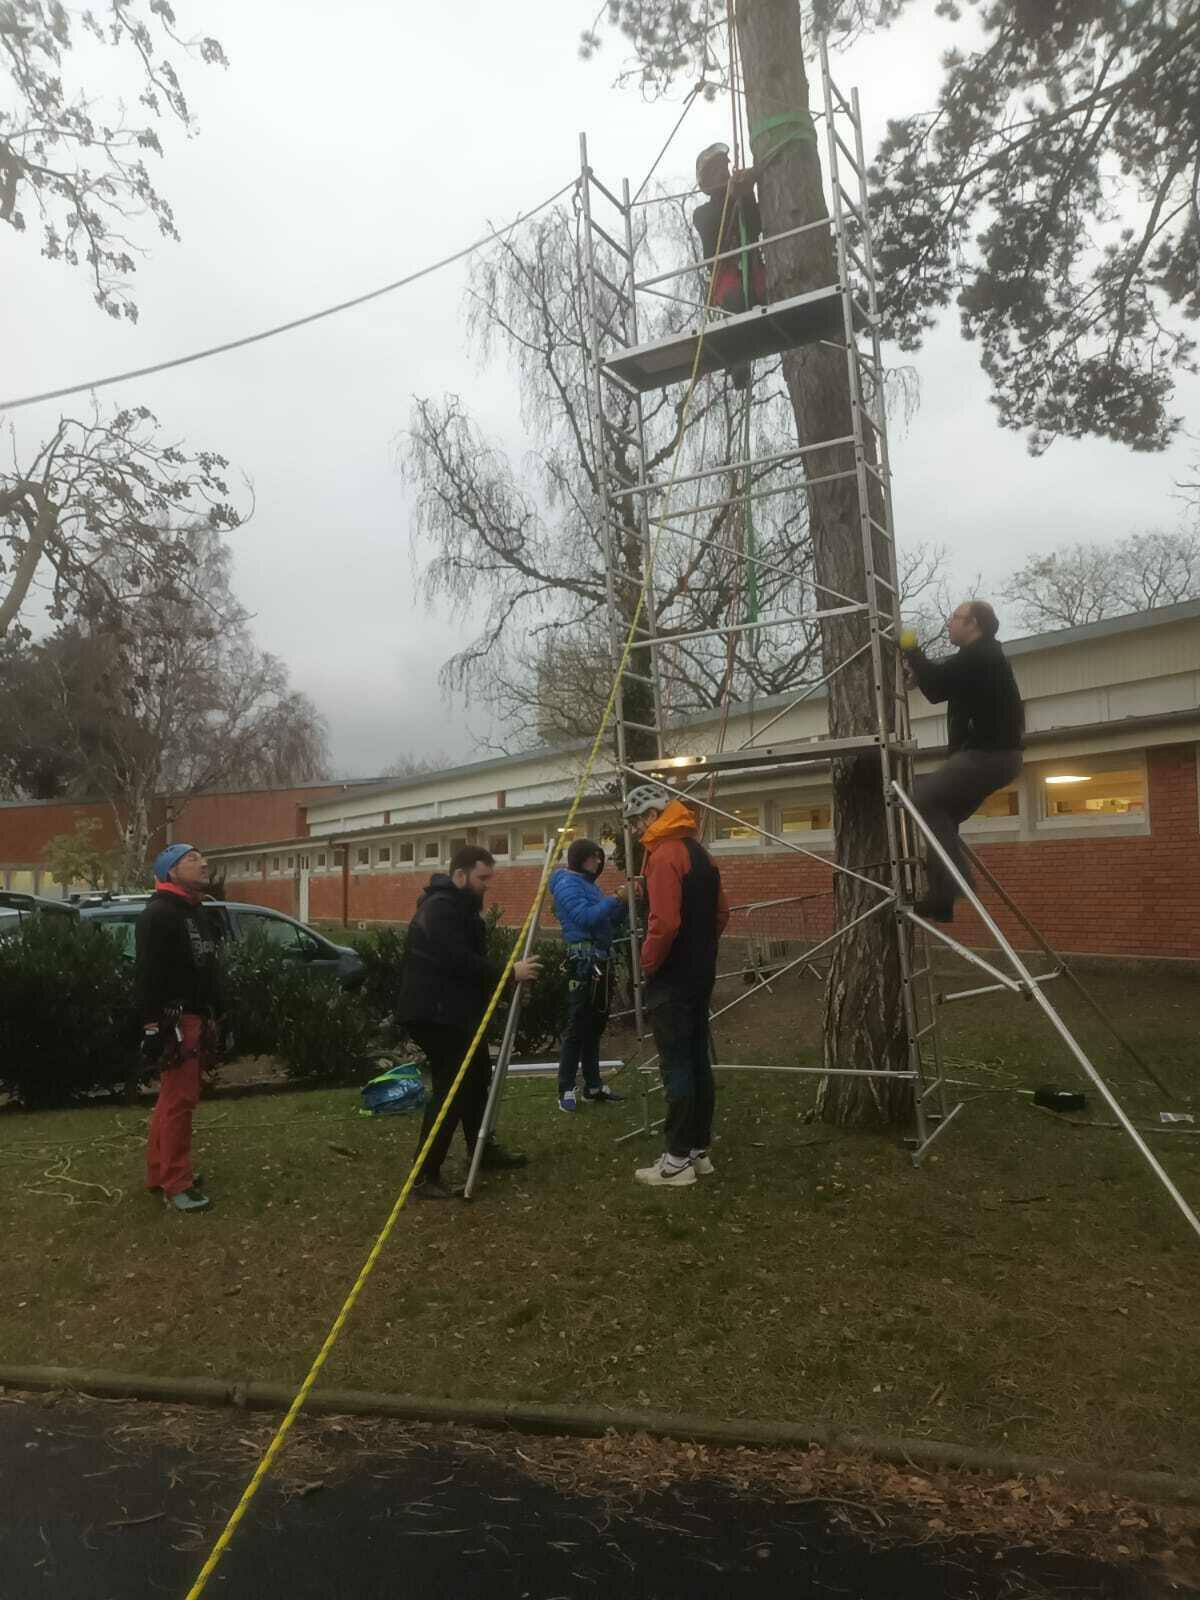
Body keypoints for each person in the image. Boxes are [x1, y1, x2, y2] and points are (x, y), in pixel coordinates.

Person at [395, 845, 540, 1200]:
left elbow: (471, 968)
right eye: (482, 878)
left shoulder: (461, 909)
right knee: (453, 1088)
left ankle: (482, 1149)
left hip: (455, 1011)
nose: (487, 885)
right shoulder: (440, 909)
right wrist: (510, 973)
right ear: (460, 876)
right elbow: (458, 961)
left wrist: (504, 987)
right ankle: (424, 1174)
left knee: (475, 1080)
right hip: (435, 1015)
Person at [623, 786, 730, 1188]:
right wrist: (703, 948)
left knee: (676, 1064)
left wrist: (647, 962)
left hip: (671, 976)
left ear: (653, 816)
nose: (635, 830)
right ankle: (698, 1150)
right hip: (701, 972)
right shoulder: (701, 853)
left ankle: (676, 1162)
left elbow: (664, 922)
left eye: (637, 821)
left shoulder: (664, 855)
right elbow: (722, 912)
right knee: (698, 1060)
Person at [901, 600, 1025, 922]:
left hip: (988, 755)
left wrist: (911, 648)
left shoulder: (980, 656)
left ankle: (954, 884)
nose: (949, 623)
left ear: (974, 624)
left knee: (923, 800)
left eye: (955, 617)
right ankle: (941, 900)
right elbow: (937, 685)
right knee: (942, 818)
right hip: (998, 757)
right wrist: (918, 673)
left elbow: (938, 685)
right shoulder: (979, 659)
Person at [136, 843, 223, 1214]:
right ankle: (177, 1184)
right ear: (170, 871)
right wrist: (152, 1026)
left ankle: (160, 1173)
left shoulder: (195, 909)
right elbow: (147, 976)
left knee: (171, 1099)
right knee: (179, 1102)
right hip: (176, 1020)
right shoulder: (159, 914)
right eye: (192, 859)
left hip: (197, 1015)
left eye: (202, 857)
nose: (203, 863)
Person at [549, 837, 628, 1113]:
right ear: (579, 859)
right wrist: (615, 898)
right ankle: (565, 1088)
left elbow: (606, 922)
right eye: (593, 857)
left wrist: (624, 903)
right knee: (577, 1027)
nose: (598, 862)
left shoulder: (590, 886)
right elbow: (585, 918)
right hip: (582, 963)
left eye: (599, 857)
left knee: (594, 1027)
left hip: (600, 960)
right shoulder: (567, 884)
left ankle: (593, 1086)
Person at [692, 141, 767, 389]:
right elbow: (716, 225)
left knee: (772, 290)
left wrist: (747, 191)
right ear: (706, 182)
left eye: (724, 168)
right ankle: (738, 360)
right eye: (716, 171)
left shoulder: (740, 195)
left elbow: (755, 224)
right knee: (735, 301)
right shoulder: (702, 214)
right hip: (727, 275)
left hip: (753, 267)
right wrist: (735, 194)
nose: (723, 174)